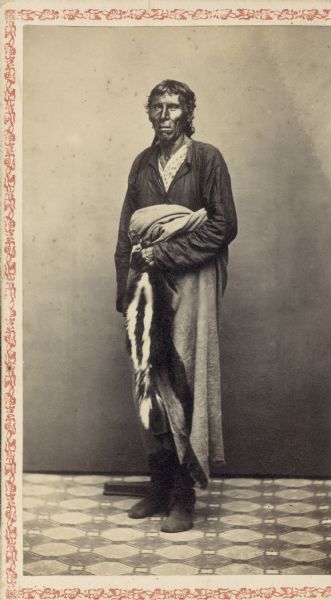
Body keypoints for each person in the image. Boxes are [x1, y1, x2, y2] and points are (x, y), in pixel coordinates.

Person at [114, 79, 237, 533]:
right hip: (146, 284)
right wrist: (124, 291)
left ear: (188, 112)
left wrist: (164, 251)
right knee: (149, 380)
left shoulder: (206, 159)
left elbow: (223, 225)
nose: (166, 115)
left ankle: (184, 497)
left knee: (184, 376)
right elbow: (128, 231)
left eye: (175, 107)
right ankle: (160, 485)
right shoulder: (143, 163)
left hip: (192, 283)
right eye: (158, 107)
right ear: (149, 113)